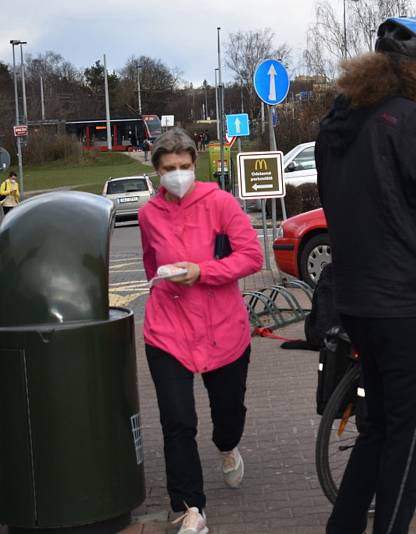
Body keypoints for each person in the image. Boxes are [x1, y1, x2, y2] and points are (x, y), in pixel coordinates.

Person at [316, 17, 416, 534]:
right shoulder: (406, 121)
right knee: (410, 443)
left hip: (359, 301)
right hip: (409, 305)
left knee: (379, 429)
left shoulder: (337, 125)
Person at [138, 128, 263, 534]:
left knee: (227, 416)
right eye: (169, 169)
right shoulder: (147, 213)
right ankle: (190, 507)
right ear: (157, 171)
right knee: (177, 421)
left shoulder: (221, 203)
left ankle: (227, 446)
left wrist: (202, 272)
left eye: (185, 167)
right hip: (167, 330)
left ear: (195, 165)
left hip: (222, 330)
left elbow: (251, 257)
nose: (178, 174)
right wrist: (165, 279)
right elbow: (148, 261)